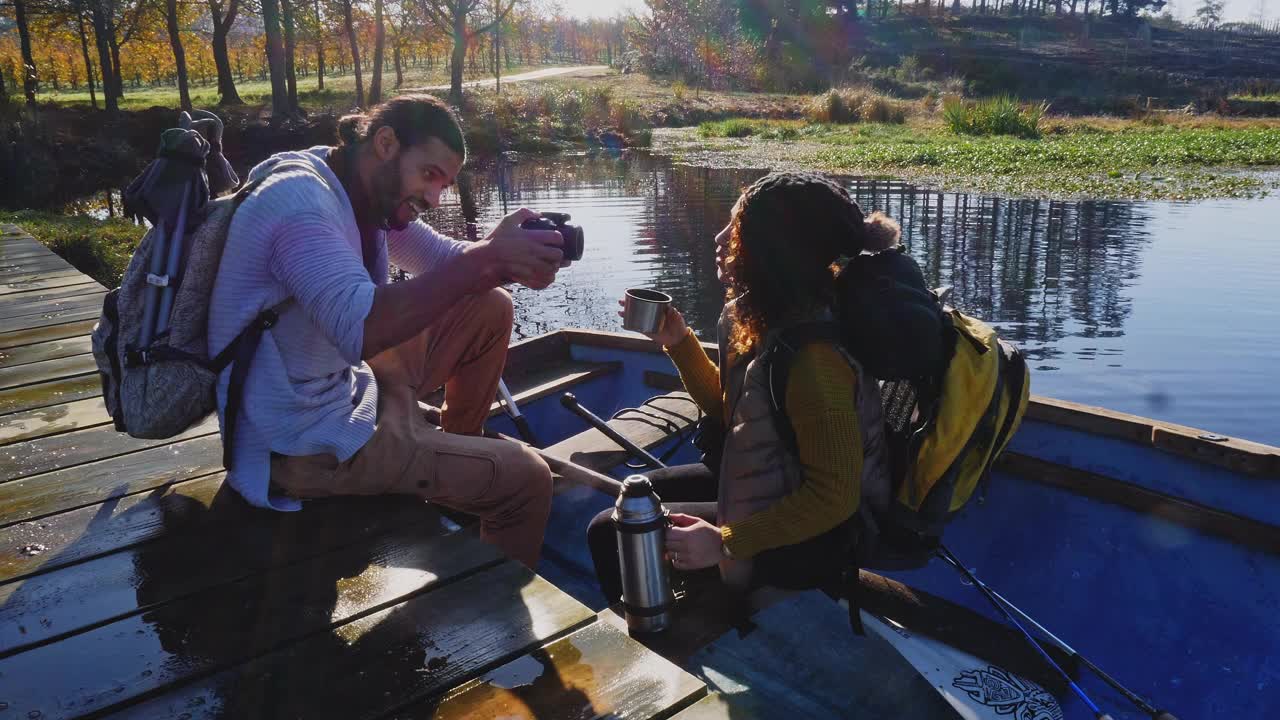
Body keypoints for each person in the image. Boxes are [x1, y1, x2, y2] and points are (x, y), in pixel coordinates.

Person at [209, 95, 567, 568]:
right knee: (528, 481)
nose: (435, 197)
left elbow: (441, 259)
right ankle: (489, 623)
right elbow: (363, 329)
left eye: (445, 184)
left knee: (490, 306)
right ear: (385, 143)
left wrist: (501, 252)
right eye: (430, 175)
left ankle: (460, 457)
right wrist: (488, 260)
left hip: (340, 388)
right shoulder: (299, 202)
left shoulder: (356, 184)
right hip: (297, 438)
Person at [587, 171, 903, 602]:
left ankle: (664, 634)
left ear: (773, 250)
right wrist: (679, 342)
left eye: (736, 228)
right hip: (776, 483)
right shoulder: (765, 313)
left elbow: (835, 498)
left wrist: (723, 540)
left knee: (612, 530)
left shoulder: (816, 363)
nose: (720, 238)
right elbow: (734, 414)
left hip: (819, 537)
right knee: (640, 494)